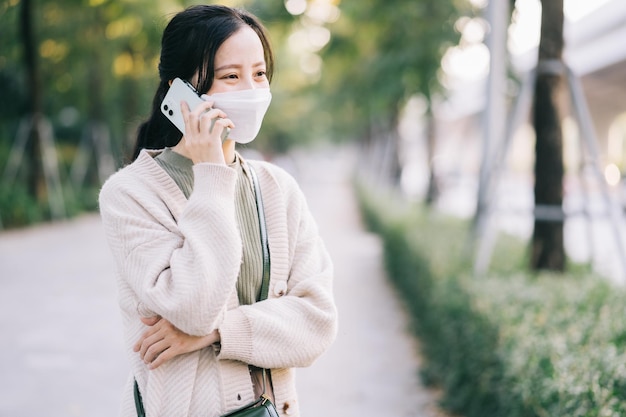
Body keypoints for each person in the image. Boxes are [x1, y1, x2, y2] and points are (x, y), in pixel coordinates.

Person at [98, 4, 338, 417]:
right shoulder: (130, 194)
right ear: (181, 91)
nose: (252, 88)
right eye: (231, 76)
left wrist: (217, 333)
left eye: (259, 73)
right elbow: (191, 307)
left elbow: (316, 323)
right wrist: (211, 172)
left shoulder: (278, 189)